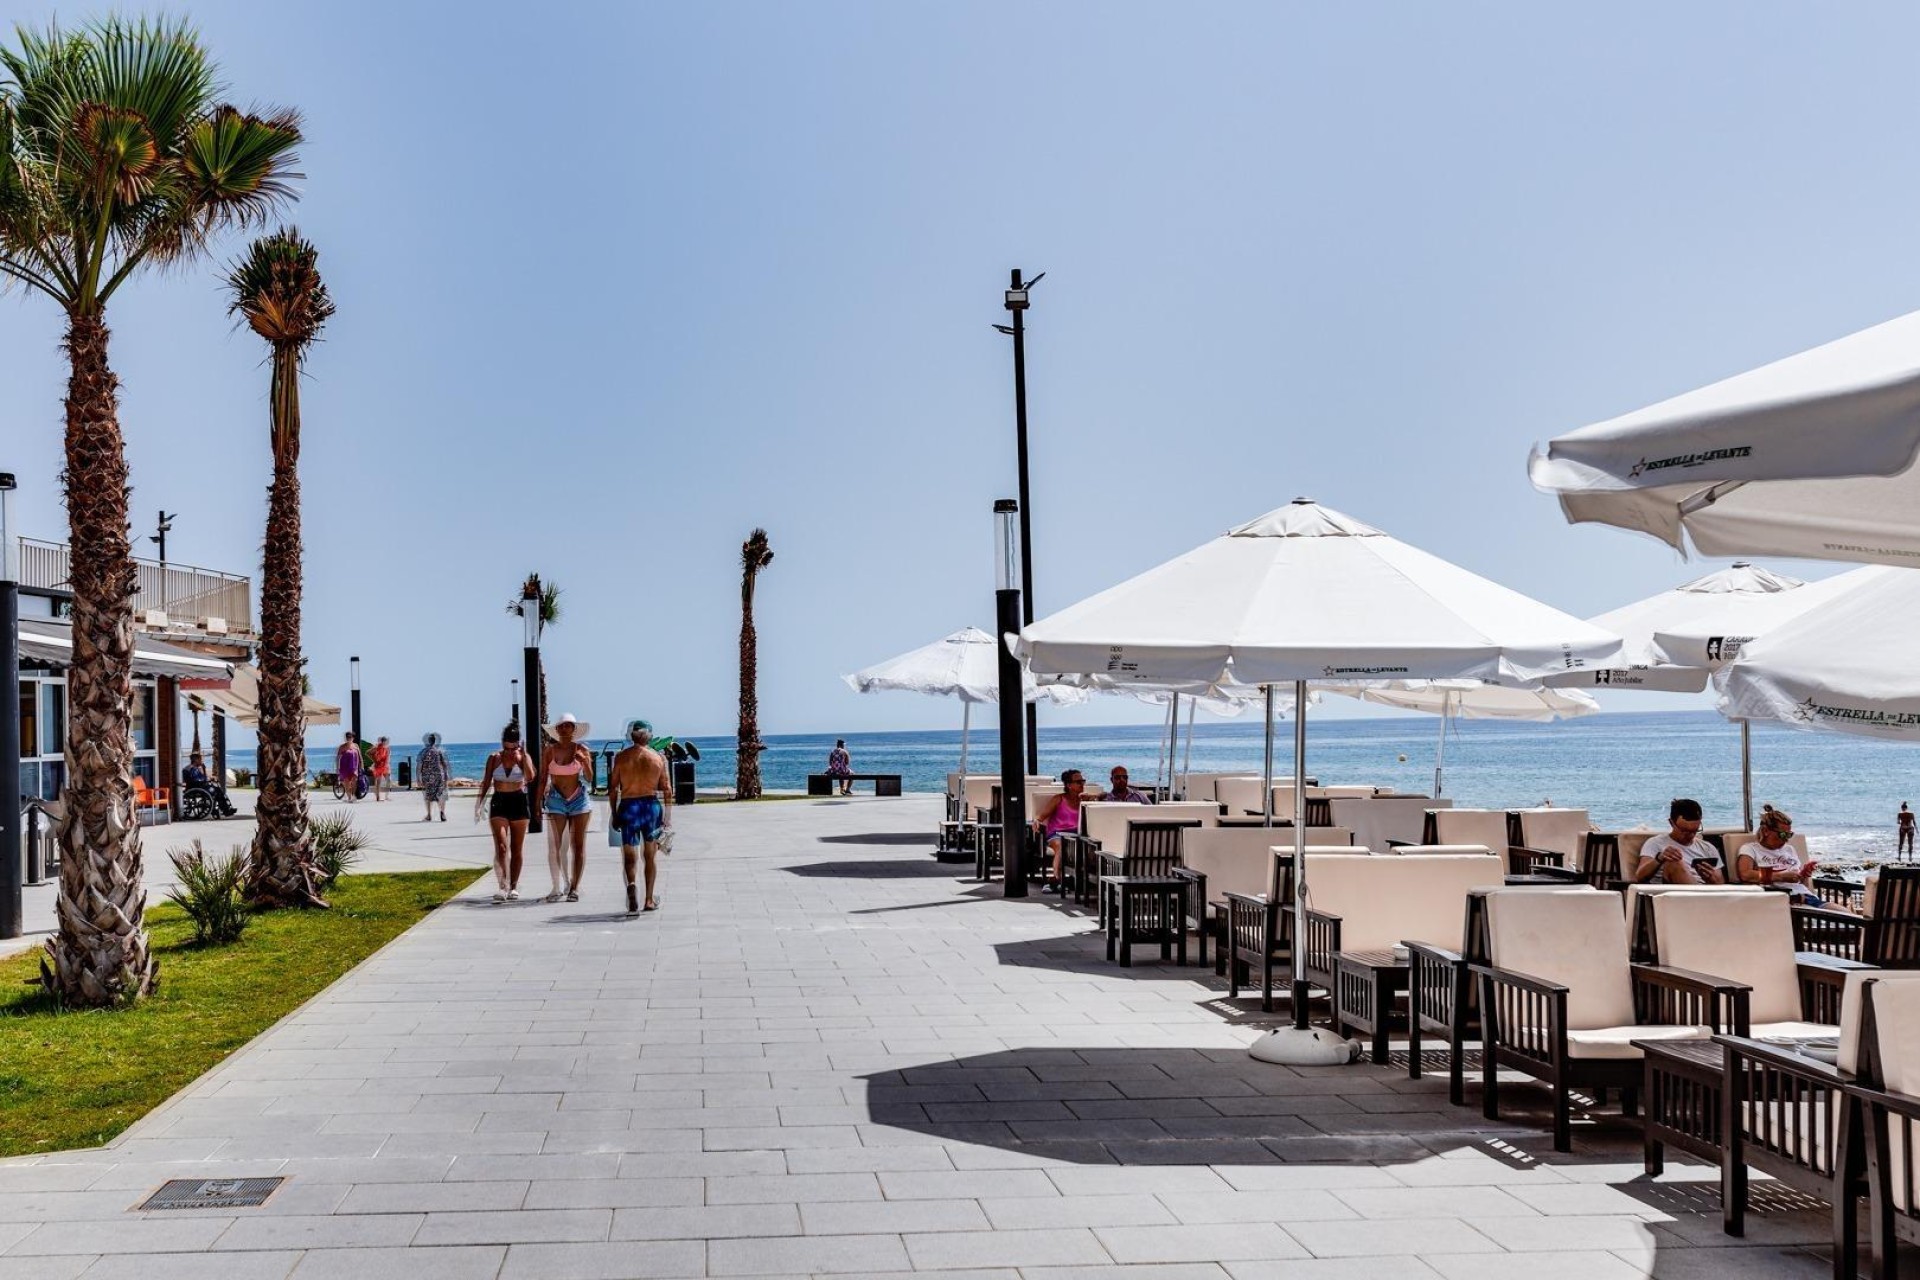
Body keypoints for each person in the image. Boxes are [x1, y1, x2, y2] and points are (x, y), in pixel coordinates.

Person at [609, 718, 671, 913]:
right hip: (650, 806)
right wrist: (667, 818)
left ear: (632, 735)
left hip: (629, 806)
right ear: (649, 736)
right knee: (650, 855)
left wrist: (614, 812)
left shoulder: (621, 757)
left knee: (629, 854)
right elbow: (667, 789)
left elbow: (613, 789)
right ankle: (649, 900)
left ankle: (632, 885)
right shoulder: (658, 758)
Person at [538, 713, 596, 903]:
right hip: (555, 800)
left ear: (574, 729)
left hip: (578, 799)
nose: (564, 729)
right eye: (561, 726)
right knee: (556, 846)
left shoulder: (582, 749)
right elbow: (542, 778)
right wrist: (536, 803)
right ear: (557, 729)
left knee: (578, 845)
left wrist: (585, 761)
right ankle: (558, 885)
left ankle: (574, 887)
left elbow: (589, 778)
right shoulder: (549, 750)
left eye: (568, 726)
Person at [477, 724, 533, 903]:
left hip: (518, 801)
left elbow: (531, 777)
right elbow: (486, 782)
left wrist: (522, 757)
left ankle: (514, 886)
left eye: (513, 747)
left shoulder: (522, 757)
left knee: (517, 848)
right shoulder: (494, 758)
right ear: (502, 743)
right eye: (506, 747)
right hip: (499, 801)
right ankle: (503, 885)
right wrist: (479, 803)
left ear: (518, 744)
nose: (510, 751)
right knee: (501, 846)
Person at [1733, 804, 1826, 906]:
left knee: (1842, 915)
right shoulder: (1750, 849)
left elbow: (1802, 885)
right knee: (1838, 915)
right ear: (1766, 831)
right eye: (1782, 834)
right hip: (1779, 900)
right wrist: (1780, 877)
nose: (1786, 839)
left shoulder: (1789, 849)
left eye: (1789, 834)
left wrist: (1803, 875)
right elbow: (1745, 875)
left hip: (1804, 897)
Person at [1632, 797, 1724, 884]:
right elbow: (1640, 876)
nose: (1690, 835)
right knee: (1674, 861)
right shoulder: (1655, 843)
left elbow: (1721, 883)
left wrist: (1711, 878)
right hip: (1675, 895)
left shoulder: (1707, 848)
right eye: (1685, 831)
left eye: (1695, 831)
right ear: (1671, 823)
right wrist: (1659, 858)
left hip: (1706, 893)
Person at [1032, 769, 1089, 895]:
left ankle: (1088, 880)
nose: (1082, 784)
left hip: (1077, 834)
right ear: (1068, 785)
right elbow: (1041, 816)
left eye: (1083, 781)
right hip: (1057, 833)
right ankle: (1056, 880)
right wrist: (1037, 821)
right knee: (1061, 846)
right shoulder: (1059, 799)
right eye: (1078, 781)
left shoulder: (1085, 801)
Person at [182, 752, 236, 816]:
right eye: (200, 759)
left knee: (217, 790)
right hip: (197, 788)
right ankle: (225, 810)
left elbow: (202, 778)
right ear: (195, 760)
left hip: (199, 786)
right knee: (217, 791)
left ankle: (222, 809)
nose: (201, 761)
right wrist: (208, 779)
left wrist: (206, 773)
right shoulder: (192, 769)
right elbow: (197, 780)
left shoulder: (193, 768)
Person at [418, 732, 451, 822]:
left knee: (428, 795)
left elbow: (420, 765)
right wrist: (446, 775)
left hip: (428, 777)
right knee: (441, 794)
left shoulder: (423, 752)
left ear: (428, 741)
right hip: (439, 775)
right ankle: (442, 813)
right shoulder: (439, 751)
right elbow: (444, 764)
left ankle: (429, 815)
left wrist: (419, 777)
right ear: (435, 741)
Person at [335, 732, 362, 804]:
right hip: (344, 767)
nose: (348, 738)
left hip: (354, 767)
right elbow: (337, 758)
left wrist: (361, 765)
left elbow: (360, 756)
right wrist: (337, 768)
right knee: (347, 783)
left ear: (353, 738)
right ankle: (349, 797)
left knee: (354, 781)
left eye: (350, 737)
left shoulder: (356, 746)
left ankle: (353, 795)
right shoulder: (342, 747)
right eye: (347, 737)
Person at [369, 736, 392, 802]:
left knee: (389, 780)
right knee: (379, 781)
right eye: (384, 741)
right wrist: (375, 760)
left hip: (386, 766)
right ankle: (378, 797)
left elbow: (387, 758)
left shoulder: (388, 748)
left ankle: (386, 796)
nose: (385, 742)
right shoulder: (377, 747)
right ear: (382, 742)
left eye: (386, 741)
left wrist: (387, 765)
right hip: (379, 766)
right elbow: (368, 753)